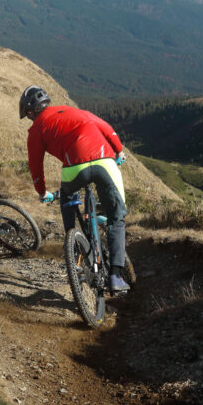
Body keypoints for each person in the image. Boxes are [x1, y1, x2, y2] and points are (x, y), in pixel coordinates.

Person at [20, 85, 130, 292]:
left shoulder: (36, 129)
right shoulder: (76, 111)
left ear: (30, 112)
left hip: (74, 168)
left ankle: (73, 248)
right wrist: (119, 150)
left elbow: (35, 165)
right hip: (104, 160)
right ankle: (115, 276)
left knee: (67, 199)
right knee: (117, 217)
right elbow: (106, 128)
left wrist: (42, 191)